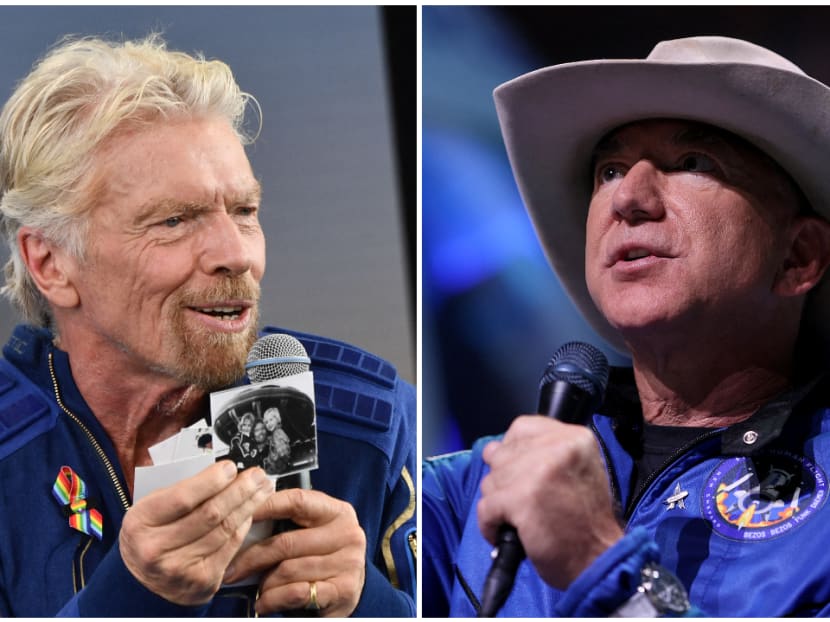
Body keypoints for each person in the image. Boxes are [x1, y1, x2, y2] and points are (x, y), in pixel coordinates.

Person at [0, 35, 416, 617]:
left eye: (244, 212)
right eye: (173, 220)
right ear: (51, 263)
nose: (235, 254)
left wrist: (367, 603)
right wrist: (129, 598)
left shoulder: (369, 426)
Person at [423, 35, 830, 617]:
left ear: (799, 257)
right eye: (610, 170)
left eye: (693, 163)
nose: (629, 198)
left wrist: (599, 565)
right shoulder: (481, 486)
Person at [262, 406, 293, 475]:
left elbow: (282, 453)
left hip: (278, 467)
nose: (269, 424)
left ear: (277, 419)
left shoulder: (277, 433)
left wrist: (270, 461)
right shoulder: (276, 433)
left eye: (271, 420)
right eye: (266, 422)